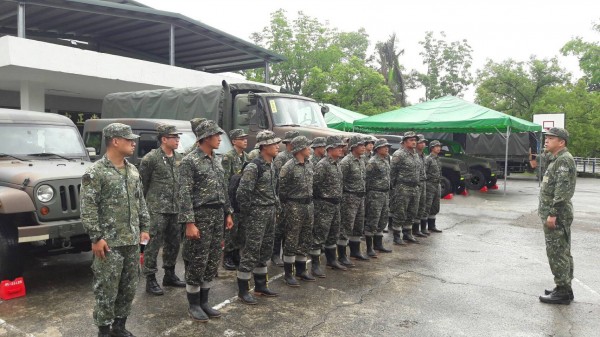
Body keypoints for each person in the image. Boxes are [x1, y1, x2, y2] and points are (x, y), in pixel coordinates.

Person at [80, 123, 150, 337]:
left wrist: (145, 226)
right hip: (109, 243)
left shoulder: (132, 169)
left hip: (130, 240)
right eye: (128, 139)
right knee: (106, 290)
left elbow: (140, 201)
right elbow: (88, 206)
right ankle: (103, 330)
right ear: (115, 141)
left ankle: (119, 327)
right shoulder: (96, 172)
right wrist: (96, 237)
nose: (133, 142)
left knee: (128, 287)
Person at [179, 120, 234, 321]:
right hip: (199, 216)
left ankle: (204, 302)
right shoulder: (190, 161)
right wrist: (189, 223)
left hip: (217, 215)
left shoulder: (216, 159)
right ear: (205, 138)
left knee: (211, 260)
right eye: (216, 135)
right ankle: (193, 304)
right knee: (197, 259)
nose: (220, 139)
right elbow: (184, 193)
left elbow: (223, 187)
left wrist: (228, 212)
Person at [139, 124, 185, 296]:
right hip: (156, 209)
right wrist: (142, 211)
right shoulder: (150, 159)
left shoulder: (179, 158)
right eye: (174, 137)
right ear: (164, 139)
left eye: (178, 137)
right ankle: (150, 279)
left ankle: (170, 274)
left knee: (173, 243)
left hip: (175, 209)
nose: (177, 140)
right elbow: (142, 186)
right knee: (153, 245)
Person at [236, 130, 282, 305]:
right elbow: (243, 193)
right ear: (263, 147)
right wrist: (250, 214)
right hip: (256, 215)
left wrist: (276, 209)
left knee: (265, 250)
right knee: (251, 252)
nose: (277, 146)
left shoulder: (272, 165)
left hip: (269, 213)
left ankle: (261, 286)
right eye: (273, 144)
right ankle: (243, 290)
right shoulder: (253, 167)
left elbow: (274, 191)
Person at [538, 127, 576, 305]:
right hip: (555, 213)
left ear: (561, 142)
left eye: (551, 138)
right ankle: (564, 287)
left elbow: (562, 191)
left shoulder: (563, 161)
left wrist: (553, 213)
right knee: (561, 250)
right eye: (546, 137)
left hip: (557, 215)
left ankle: (563, 291)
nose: (546, 140)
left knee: (557, 252)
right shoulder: (557, 159)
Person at [279, 136, 315, 286]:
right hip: (294, 206)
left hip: (308, 205)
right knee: (292, 240)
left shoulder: (309, 164)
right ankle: (288, 273)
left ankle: (301, 270)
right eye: (307, 147)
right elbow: (281, 190)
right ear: (300, 149)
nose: (310, 150)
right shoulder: (288, 167)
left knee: (305, 238)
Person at [221, 129, 250, 271]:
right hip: (232, 198)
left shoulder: (246, 157)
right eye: (241, 138)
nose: (245, 140)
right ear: (234, 141)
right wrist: (227, 205)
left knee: (241, 230)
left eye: (245, 138)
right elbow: (225, 181)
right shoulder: (228, 157)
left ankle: (236, 253)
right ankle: (227, 255)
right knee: (231, 230)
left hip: (242, 199)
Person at [271, 130, 300, 267]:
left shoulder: (298, 157)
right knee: (279, 228)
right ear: (289, 143)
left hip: (293, 199)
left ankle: (285, 254)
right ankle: (275, 254)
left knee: (290, 229)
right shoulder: (281, 158)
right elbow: (276, 179)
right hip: (282, 198)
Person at [339, 135, 368, 265]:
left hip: (360, 197)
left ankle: (355, 251)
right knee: (346, 226)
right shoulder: (346, 162)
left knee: (358, 225)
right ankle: (342, 255)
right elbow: (340, 181)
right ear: (354, 147)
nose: (364, 147)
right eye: (361, 145)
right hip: (349, 197)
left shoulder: (361, 160)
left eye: (364, 145)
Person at [390, 131, 421, 245]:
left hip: (414, 187)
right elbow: (392, 172)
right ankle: (397, 236)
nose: (414, 142)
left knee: (412, 211)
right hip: (402, 187)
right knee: (400, 212)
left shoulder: (415, 154)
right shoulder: (399, 154)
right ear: (404, 142)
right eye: (411, 140)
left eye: (415, 140)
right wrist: (394, 187)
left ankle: (408, 233)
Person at [365, 138, 393, 256]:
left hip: (385, 194)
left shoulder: (385, 160)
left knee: (382, 220)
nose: (387, 148)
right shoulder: (372, 162)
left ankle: (378, 244)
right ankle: (369, 248)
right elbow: (366, 178)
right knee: (373, 220)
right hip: (375, 194)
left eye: (387, 146)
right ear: (377, 149)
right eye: (384, 146)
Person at [424, 140, 443, 233]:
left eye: (439, 146)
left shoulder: (438, 159)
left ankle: (432, 225)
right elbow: (424, 172)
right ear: (431, 148)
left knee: (435, 205)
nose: (439, 148)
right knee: (427, 205)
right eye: (436, 146)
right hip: (429, 184)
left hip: (437, 184)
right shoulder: (428, 159)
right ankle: (423, 227)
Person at [413, 135, 429, 238]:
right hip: (415, 183)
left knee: (422, 205)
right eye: (421, 142)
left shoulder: (423, 155)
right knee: (414, 206)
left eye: (424, 142)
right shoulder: (414, 155)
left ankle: (418, 228)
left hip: (423, 182)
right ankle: (412, 230)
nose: (423, 144)